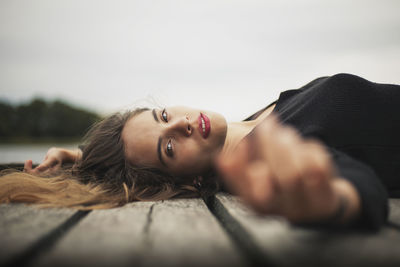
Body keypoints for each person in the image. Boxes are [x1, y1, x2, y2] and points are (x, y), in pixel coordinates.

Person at [1, 73, 398, 230]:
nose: (180, 124)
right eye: (169, 147)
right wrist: (332, 201)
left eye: (163, 115)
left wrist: (81, 158)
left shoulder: (254, 124)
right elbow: (354, 186)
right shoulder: (269, 156)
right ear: (189, 180)